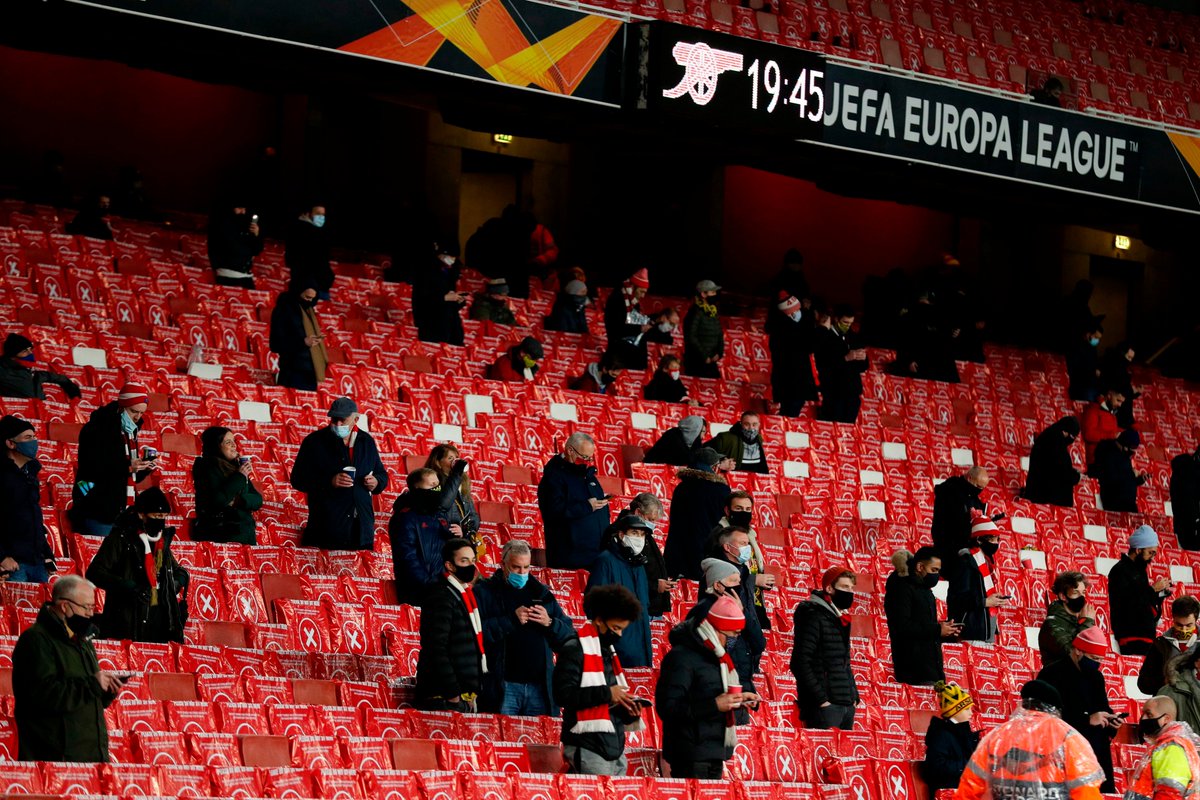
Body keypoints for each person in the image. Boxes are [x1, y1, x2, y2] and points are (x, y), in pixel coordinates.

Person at [13, 575, 121, 762]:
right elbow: (43, 695)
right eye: (86, 607)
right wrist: (91, 685)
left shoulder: (82, 639)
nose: (90, 613)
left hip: (90, 756)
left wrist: (105, 690)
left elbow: (86, 697)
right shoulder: (35, 640)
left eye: (93, 607)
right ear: (64, 606)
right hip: (55, 760)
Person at [656, 595, 759, 780]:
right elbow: (668, 708)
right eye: (732, 634)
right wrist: (715, 705)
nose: (732, 641)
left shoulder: (717, 657)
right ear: (716, 628)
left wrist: (739, 699)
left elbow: (711, 693)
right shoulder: (681, 657)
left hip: (714, 750)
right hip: (689, 753)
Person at [955, 680, 1105, 800]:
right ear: (1056, 708)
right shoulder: (1070, 738)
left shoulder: (996, 736)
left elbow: (969, 789)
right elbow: (1086, 791)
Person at [553, 585, 646, 776]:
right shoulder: (574, 648)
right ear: (598, 620)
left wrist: (628, 711)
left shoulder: (608, 652)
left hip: (615, 747)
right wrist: (608, 693)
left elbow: (608, 703)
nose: (619, 634)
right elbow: (563, 694)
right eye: (615, 628)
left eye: (622, 629)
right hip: (587, 746)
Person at [475, 540, 574, 715]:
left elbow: (569, 636)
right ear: (502, 564)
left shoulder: (542, 593)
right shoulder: (485, 591)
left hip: (540, 687)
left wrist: (549, 623)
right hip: (503, 685)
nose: (522, 573)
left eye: (526, 568)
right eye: (516, 567)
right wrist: (510, 620)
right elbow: (476, 633)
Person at [85, 488, 188, 643]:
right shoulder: (120, 538)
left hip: (156, 621)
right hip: (125, 620)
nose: (161, 521)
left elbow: (178, 570)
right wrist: (130, 587)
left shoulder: (161, 542)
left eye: (164, 517)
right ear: (141, 514)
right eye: (157, 516)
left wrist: (175, 582)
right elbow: (94, 572)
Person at [290, 397, 389, 550]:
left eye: (342, 420)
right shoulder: (314, 442)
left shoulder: (367, 441)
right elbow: (298, 479)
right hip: (327, 528)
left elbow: (381, 474)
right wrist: (329, 481)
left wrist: (376, 482)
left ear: (355, 419)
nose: (337, 424)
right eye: (334, 419)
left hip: (361, 530)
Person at [1036, 627, 1120, 793]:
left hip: (1095, 756)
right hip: (1064, 756)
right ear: (1077, 651)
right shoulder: (1051, 675)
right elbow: (1044, 719)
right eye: (1093, 658)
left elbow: (1102, 709)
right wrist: (1086, 720)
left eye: (1100, 659)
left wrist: (1111, 721)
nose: (1097, 663)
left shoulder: (1096, 678)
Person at [69, 382, 158, 537]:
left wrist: (144, 468)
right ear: (122, 406)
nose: (137, 417)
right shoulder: (95, 429)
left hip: (122, 511)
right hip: (97, 508)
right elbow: (92, 468)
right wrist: (128, 467)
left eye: (141, 413)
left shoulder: (130, 431)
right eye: (133, 411)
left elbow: (127, 477)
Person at [414, 538, 487, 711]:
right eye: (463, 561)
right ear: (449, 565)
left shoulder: (465, 594)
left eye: (472, 561)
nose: (470, 566)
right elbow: (436, 647)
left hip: (462, 696)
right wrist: (453, 695)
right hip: (443, 698)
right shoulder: (440, 596)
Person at [697, 530, 767, 698]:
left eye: (748, 543)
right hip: (720, 685)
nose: (748, 548)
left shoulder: (745, 579)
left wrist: (742, 612)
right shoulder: (704, 616)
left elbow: (759, 642)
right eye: (743, 543)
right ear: (718, 585)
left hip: (743, 676)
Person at [790, 566, 859, 730]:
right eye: (844, 587)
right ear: (829, 588)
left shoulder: (839, 618)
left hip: (846, 704)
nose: (849, 592)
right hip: (825, 707)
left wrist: (853, 696)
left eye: (851, 588)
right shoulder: (813, 615)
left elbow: (845, 662)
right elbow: (800, 662)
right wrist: (821, 700)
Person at [585, 516, 653, 668]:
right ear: (622, 535)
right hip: (616, 650)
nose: (639, 538)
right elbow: (593, 605)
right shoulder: (605, 561)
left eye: (642, 534)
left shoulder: (639, 565)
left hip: (641, 648)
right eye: (634, 533)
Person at [885, 547, 959, 685]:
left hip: (932, 669)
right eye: (934, 570)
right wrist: (937, 629)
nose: (937, 575)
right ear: (920, 566)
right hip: (913, 670)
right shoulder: (901, 587)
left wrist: (946, 630)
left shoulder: (924, 589)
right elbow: (902, 626)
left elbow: (924, 625)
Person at [538, 432, 610, 569]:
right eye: (584, 457)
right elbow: (553, 511)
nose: (587, 462)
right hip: (571, 557)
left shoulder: (586, 474)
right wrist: (587, 506)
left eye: (590, 458)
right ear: (570, 450)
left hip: (595, 555)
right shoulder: (553, 476)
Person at [389, 468, 457, 605]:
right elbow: (407, 556)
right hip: (417, 591)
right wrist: (428, 584)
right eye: (431, 485)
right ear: (417, 487)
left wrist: (459, 535)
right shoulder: (405, 517)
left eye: (438, 484)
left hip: (441, 588)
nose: (437, 489)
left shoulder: (438, 514)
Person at [0, 416, 55, 583]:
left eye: (34, 436)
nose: (34, 442)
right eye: (28, 438)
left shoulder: (30, 474)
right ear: (10, 443)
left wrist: (46, 554)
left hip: (37, 562)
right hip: (13, 565)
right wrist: (2, 557)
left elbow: (34, 517)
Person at [662, 448, 732, 580]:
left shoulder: (681, 488)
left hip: (677, 555)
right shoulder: (721, 490)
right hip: (705, 554)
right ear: (714, 467)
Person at [708, 491, 773, 629]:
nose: (744, 513)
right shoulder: (719, 536)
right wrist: (754, 579)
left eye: (748, 509)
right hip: (732, 605)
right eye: (738, 509)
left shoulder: (750, 535)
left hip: (754, 604)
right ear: (727, 510)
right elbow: (720, 575)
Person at [191, 426, 262, 545]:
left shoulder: (237, 468)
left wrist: (238, 501)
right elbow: (218, 500)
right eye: (228, 442)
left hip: (245, 534)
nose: (234, 445)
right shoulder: (206, 466)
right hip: (222, 534)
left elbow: (258, 500)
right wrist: (240, 476)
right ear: (216, 445)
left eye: (234, 441)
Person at [608, 494, 674, 618]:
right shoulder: (618, 534)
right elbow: (625, 574)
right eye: (651, 519)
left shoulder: (645, 533)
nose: (653, 524)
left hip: (649, 604)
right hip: (634, 607)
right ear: (638, 512)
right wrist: (654, 586)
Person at [1109, 525, 1172, 656]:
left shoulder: (1139, 570)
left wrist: (1160, 593)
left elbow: (1144, 600)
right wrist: (1153, 589)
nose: (1152, 557)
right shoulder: (1119, 570)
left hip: (1145, 634)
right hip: (1131, 635)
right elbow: (1128, 603)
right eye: (1150, 552)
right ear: (1138, 550)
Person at [948, 515, 1008, 643]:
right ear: (979, 540)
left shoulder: (987, 562)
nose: (996, 543)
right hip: (971, 634)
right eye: (992, 539)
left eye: (998, 539)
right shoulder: (965, 562)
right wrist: (985, 602)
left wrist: (993, 599)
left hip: (985, 634)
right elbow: (956, 599)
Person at [1126, 696, 1200, 800]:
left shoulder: (1171, 747)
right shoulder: (1165, 745)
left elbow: (1170, 793)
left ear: (1166, 719)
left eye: (1149, 714)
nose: (1143, 719)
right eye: (1143, 714)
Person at [269, 272, 328, 391]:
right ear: (297, 292)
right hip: (292, 373)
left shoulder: (309, 312)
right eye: (306, 297)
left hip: (310, 374)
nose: (309, 301)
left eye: (312, 299)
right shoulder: (283, 310)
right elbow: (275, 344)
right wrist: (303, 342)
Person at [920, 680, 980, 791]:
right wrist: (967, 766)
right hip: (948, 792)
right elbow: (935, 767)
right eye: (967, 709)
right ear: (955, 711)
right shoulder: (941, 735)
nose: (971, 713)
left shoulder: (964, 732)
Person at [813, 304, 868, 424]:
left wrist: (863, 358)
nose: (848, 326)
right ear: (836, 319)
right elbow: (823, 364)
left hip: (852, 392)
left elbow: (864, 366)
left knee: (847, 429)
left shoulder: (853, 336)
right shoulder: (826, 337)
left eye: (850, 323)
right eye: (845, 322)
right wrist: (845, 358)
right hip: (834, 392)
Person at [931, 466, 990, 575]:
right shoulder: (949, 490)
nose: (979, 490)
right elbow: (945, 523)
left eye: (982, 488)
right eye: (977, 486)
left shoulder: (974, 497)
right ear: (969, 478)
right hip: (949, 550)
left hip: (968, 551)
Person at [766, 294, 817, 417]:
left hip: (794, 381)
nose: (800, 313)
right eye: (797, 310)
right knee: (789, 411)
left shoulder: (791, 327)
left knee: (792, 409)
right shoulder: (783, 330)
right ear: (789, 313)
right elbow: (806, 345)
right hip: (790, 381)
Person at [1139, 596, 1200, 696]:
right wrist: (1165, 682)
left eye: (1189, 625)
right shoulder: (1160, 644)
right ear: (1173, 618)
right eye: (1179, 625)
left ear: (1196, 620)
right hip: (1167, 704)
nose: (1184, 630)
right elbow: (1143, 684)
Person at [424, 444, 479, 551]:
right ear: (438, 462)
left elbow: (473, 515)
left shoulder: (462, 483)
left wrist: (465, 531)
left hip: (460, 540)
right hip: (440, 540)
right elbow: (441, 507)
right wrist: (451, 529)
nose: (455, 461)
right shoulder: (433, 484)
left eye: (456, 458)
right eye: (450, 458)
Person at [1039, 571, 1097, 667]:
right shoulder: (1052, 624)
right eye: (1075, 593)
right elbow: (1074, 656)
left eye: (1083, 593)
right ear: (1063, 596)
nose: (1081, 597)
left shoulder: (1081, 621)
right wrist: (1086, 623)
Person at [0, 333, 82, 401]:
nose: (30, 354)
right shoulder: (3, 372)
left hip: (40, 413)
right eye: (25, 351)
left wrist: (75, 395)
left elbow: (61, 378)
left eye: (31, 350)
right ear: (12, 355)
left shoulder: (34, 374)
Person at [412, 246, 467, 346]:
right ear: (441, 255)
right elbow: (421, 300)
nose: (453, 260)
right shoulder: (425, 272)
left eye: (454, 257)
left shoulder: (451, 273)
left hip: (450, 328)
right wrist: (444, 298)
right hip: (431, 326)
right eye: (450, 256)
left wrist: (459, 300)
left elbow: (451, 300)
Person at [1024, 416, 1083, 507]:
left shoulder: (1049, 436)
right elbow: (1060, 471)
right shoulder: (1055, 443)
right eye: (1072, 436)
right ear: (1064, 431)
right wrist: (1076, 476)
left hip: (1039, 495)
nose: (1072, 440)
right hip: (1047, 499)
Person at [207, 201, 263, 288]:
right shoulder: (223, 226)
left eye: (244, 209)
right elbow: (233, 248)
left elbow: (257, 250)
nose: (243, 212)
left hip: (245, 276)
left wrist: (256, 235)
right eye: (239, 208)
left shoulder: (246, 227)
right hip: (227, 275)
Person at [604, 269, 653, 366]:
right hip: (618, 352)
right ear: (633, 287)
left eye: (645, 292)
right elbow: (616, 328)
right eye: (641, 292)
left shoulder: (634, 302)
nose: (643, 296)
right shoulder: (617, 299)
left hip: (632, 349)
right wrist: (640, 328)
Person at [285, 203, 333, 299]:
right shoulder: (300, 232)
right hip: (307, 286)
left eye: (323, 214)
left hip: (320, 285)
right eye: (318, 214)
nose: (321, 217)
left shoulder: (320, 233)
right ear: (308, 214)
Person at [1093, 428, 1147, 513]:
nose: (1134, 451)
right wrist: (1132, 474)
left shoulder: (1124, 454)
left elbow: (1126, 479)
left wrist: (1139, 480)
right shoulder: (1107, 453)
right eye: (1132, 447)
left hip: (1128, 504)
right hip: (1115, 503)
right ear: (1125, 444)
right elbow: (1111, 478)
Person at [684, 280, 724, 378]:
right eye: (712, 292)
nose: (715, 295)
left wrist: (719, 353)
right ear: (703, 294)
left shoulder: (713, 311)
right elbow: (691, 336)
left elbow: (719, 334)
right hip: (697, 362)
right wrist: (704, 356)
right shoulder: (695, 312)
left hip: (712, 360)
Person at [1081, 388, 1125, 470]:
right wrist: (1112, 435)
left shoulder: (1111, 411)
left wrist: (1124, 432)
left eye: (1122, 402)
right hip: (1095, 462)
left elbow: (1110, 430)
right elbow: (1088, 434)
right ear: (1109, 395)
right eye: (1118, 400)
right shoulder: (1093, 409)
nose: (1120, 405)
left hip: (1108, 460)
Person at [1101, 341, 1138, 429]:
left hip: (1124, 415)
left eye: (1131, 358)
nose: (1129, 361)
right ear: (1121, 353)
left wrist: (1135, 392)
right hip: (1116, 414)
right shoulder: (1112, 368)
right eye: (1128, 357)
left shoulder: (1124, 371)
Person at [1067, 323, 1105, 402]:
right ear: (1088, 334)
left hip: (1091, 386)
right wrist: (1092, 372)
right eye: (1096, 337)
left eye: (1099, 339)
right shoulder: (1077, 347)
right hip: (1081, 388)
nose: (1097, 340)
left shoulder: (1092, 349)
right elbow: (1075, 368)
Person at [1172, 446, 1200, 551]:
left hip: (1187, 524)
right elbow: (1186, 499)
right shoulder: (1185, 472)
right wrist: (1196, 518)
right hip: (1188, 526)